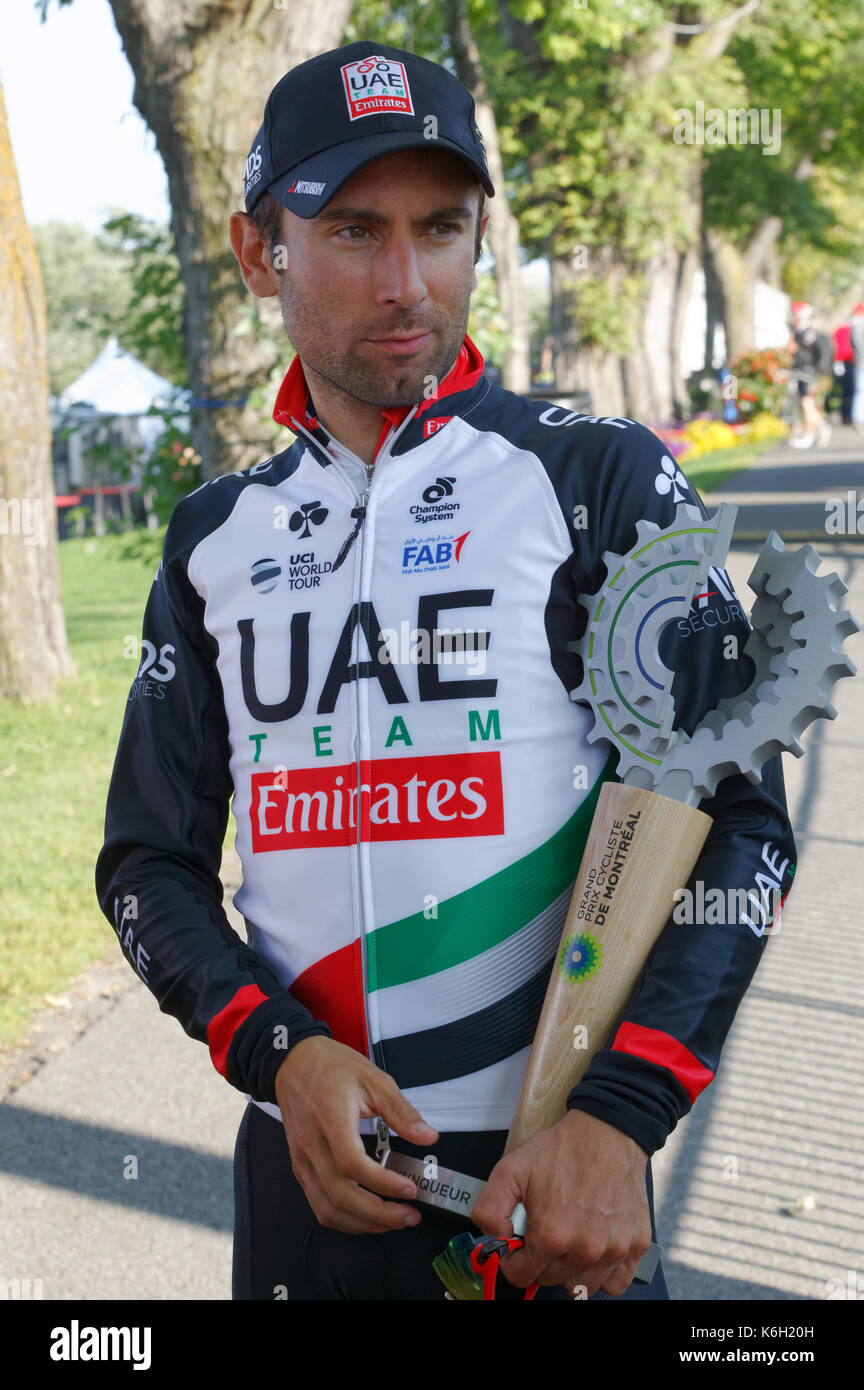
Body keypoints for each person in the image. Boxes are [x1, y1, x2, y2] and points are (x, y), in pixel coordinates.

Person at [96, 40, 796, 1302]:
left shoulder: (599, 475)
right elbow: (148, 865)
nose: (409, 281)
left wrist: (623, 1114)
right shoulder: (214, 535)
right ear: (264, 253)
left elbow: (742, 820)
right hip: (312, 1170)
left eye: (446, 229)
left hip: (555, 1179)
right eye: (357, 230)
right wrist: (278, 1055)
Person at [785, 301, 831, 448]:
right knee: (805, 403)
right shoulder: (799, 332)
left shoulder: (808, 333)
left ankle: (811, 433)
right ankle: (821, 426)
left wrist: (796, 350)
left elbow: (808, 355)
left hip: (808, 372)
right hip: (802, 371)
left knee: (807, 403)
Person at [850, 302, 864, 434]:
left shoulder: (856, 325)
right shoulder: (859, 325)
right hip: (861, 363)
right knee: (861, 392)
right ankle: (859, 419)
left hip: (860, 363)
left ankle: (858, 418)